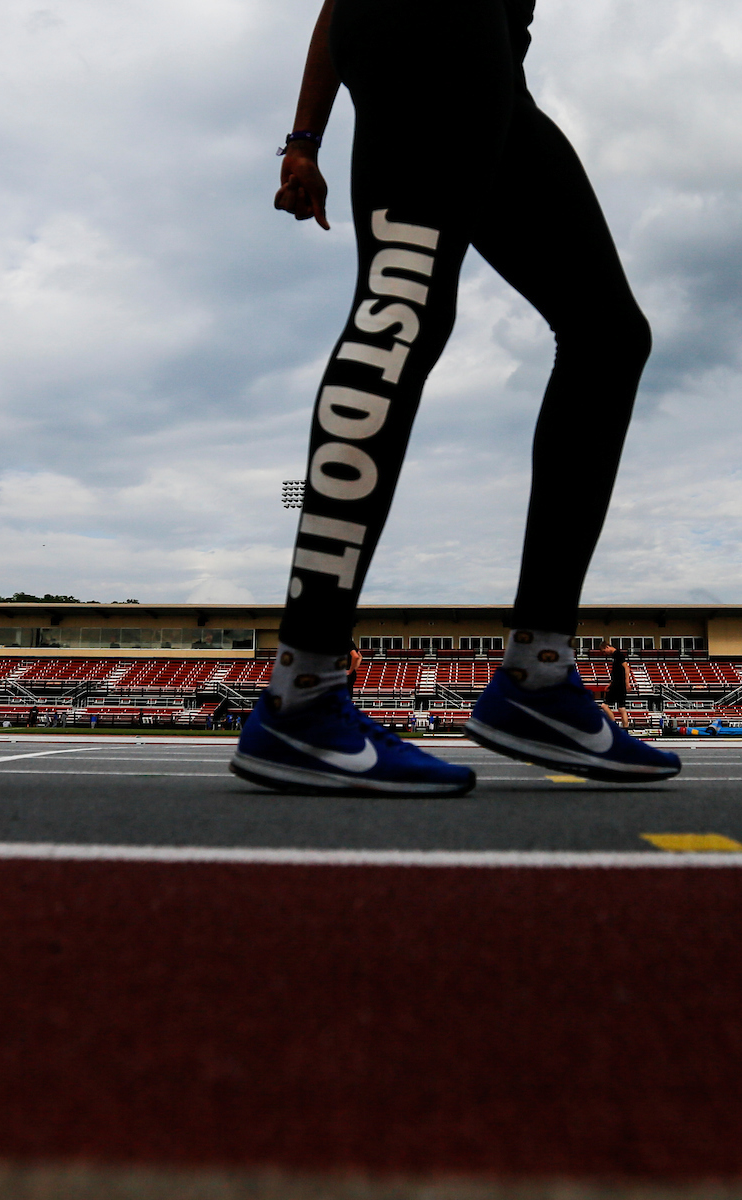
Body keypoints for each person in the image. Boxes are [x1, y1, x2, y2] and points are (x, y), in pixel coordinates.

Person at [230, 0, 681, 793]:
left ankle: (538, 677)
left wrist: (303, 138)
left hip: (487, 61)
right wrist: (304, 136)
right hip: (432, 24)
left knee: (608, 334)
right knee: (401, 308)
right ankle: (301, 693)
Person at [600, 641, 631, 730]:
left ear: (607, 647)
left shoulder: (618, 654)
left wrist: (627, 683)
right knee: (621, 708)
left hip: (618, 684)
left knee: (604, 706)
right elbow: (616, 672)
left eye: (604, 651)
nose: (604, 654)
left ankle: (614, 725)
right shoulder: (614, 656)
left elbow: (626, 668)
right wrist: (610, 684)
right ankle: (625, 729)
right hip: (617, 683)